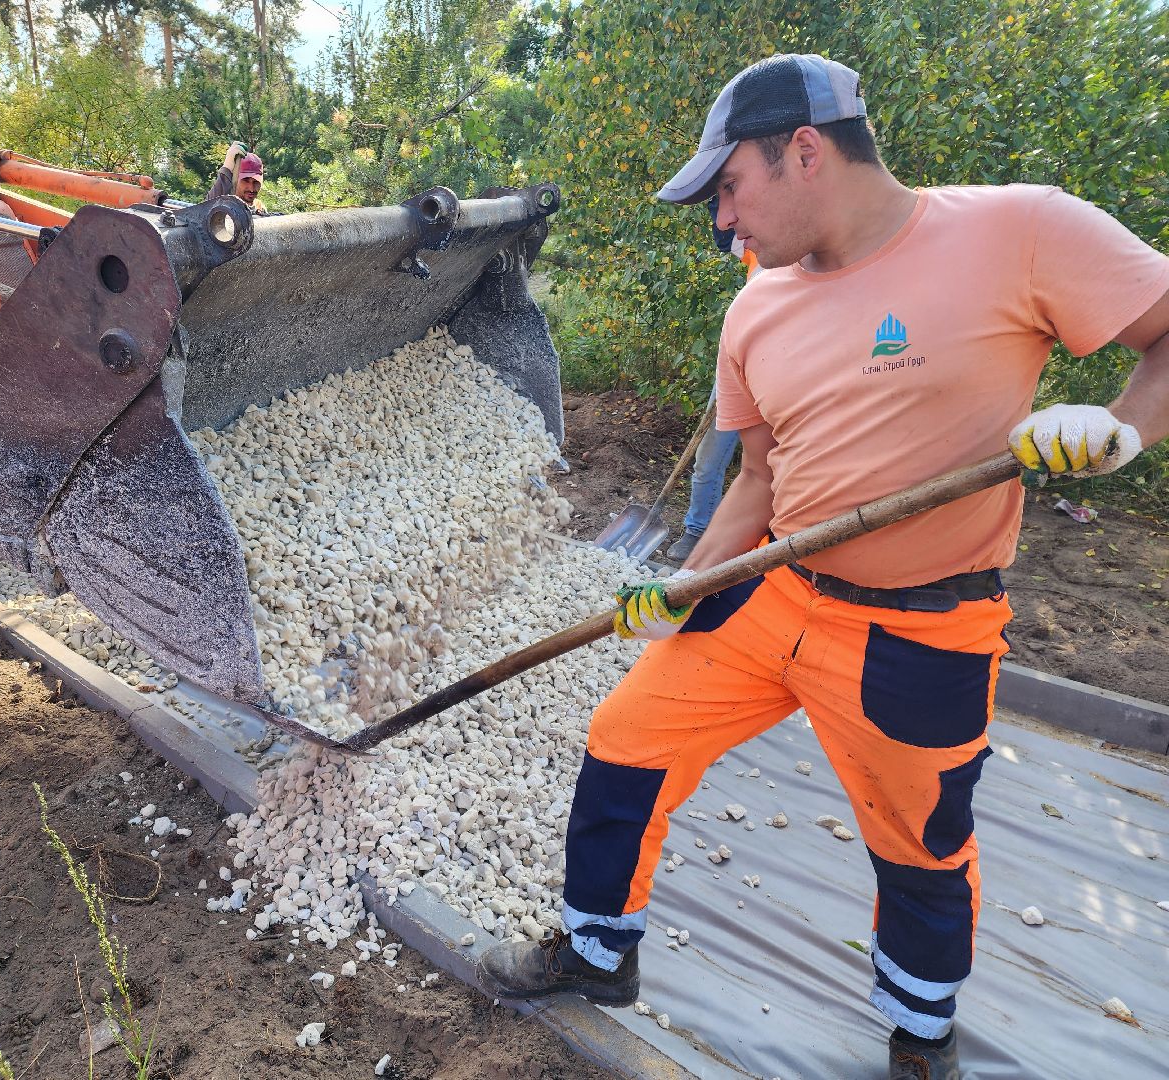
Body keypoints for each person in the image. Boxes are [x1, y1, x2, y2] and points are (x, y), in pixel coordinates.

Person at [478, 53, 1169, 1080]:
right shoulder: (754, 310)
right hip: (777, 589)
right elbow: (759, 484)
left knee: (920, 839)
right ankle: (595, 952)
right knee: (627, 735)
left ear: (804, 151)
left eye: (730, 186)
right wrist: (686, 585)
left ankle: (919, 1032)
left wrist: (1119, 432)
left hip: (922, 626)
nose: (724, 221)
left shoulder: (1020, 230)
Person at [665, 196, 757, 561]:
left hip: (788, 377)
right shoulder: (759, 249)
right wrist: (718, 191)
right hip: (738, 369)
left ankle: (766, 541)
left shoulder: (809, 253)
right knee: (709, 454)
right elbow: (725, 237)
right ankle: (697, 531)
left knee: (776, 465)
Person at [207, 140, 269, 215]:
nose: (251, 189)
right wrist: (227, 168)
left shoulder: (259, 207)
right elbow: (203, 214)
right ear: (235, 179)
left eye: (256, 182)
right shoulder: (224, 206)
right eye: (245, 180)